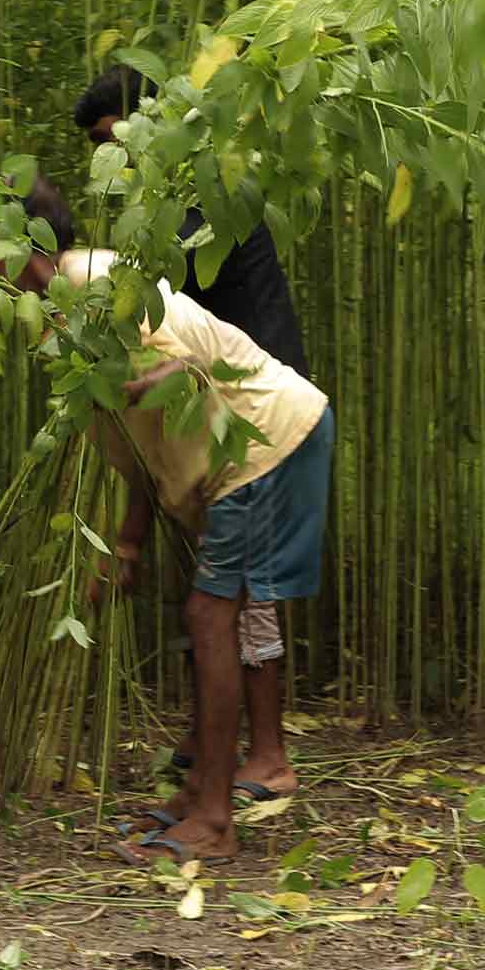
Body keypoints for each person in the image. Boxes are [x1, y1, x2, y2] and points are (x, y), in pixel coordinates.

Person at [0, 178, 333, 867]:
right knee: (210, 618)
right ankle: (200, 794)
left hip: (263, 441)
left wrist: (161, 379)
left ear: (23, 247)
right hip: (237, 456)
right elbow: (133, 445)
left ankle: (215, 819)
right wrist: (126, 543)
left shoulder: (97, 285)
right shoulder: (60, 320)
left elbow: (186, 363)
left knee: (211, 618)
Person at [75, 64, 308, 707]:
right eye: (98, 148)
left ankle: (264, 751)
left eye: (114, 142)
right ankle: (213, 742)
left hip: (255, 410)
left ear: (151, 129)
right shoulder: (167, 211)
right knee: (218, 593)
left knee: (237, 595)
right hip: (222, 408)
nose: (108, 162)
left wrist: (128, 535)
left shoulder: (199, 207)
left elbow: (179, 338)